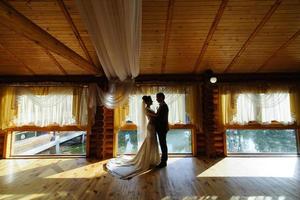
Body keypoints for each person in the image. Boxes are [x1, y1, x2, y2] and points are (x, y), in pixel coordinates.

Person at [105, 96, 160, 179]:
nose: (152, 101)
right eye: (151, 100)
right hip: (151, 127)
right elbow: (156, 116)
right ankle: (146, 160)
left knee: (151, 142)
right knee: (150, 142)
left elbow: (155, 116)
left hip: (153, 126)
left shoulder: (149, 108)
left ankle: (150, 159)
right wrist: (158, 110)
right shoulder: (147, 109)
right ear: (147, 102)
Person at [155, 92, 169, 168]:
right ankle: (163, 160)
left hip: (162, 128)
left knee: (163, 145)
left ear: (162, 98)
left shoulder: (164, 106)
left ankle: (164, 162)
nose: (156, 99)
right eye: (156, 97)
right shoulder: (162, 106)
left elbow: (162, 118)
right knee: (163, 144)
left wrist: (154, 118)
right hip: (161, 128)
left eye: (157, 97)